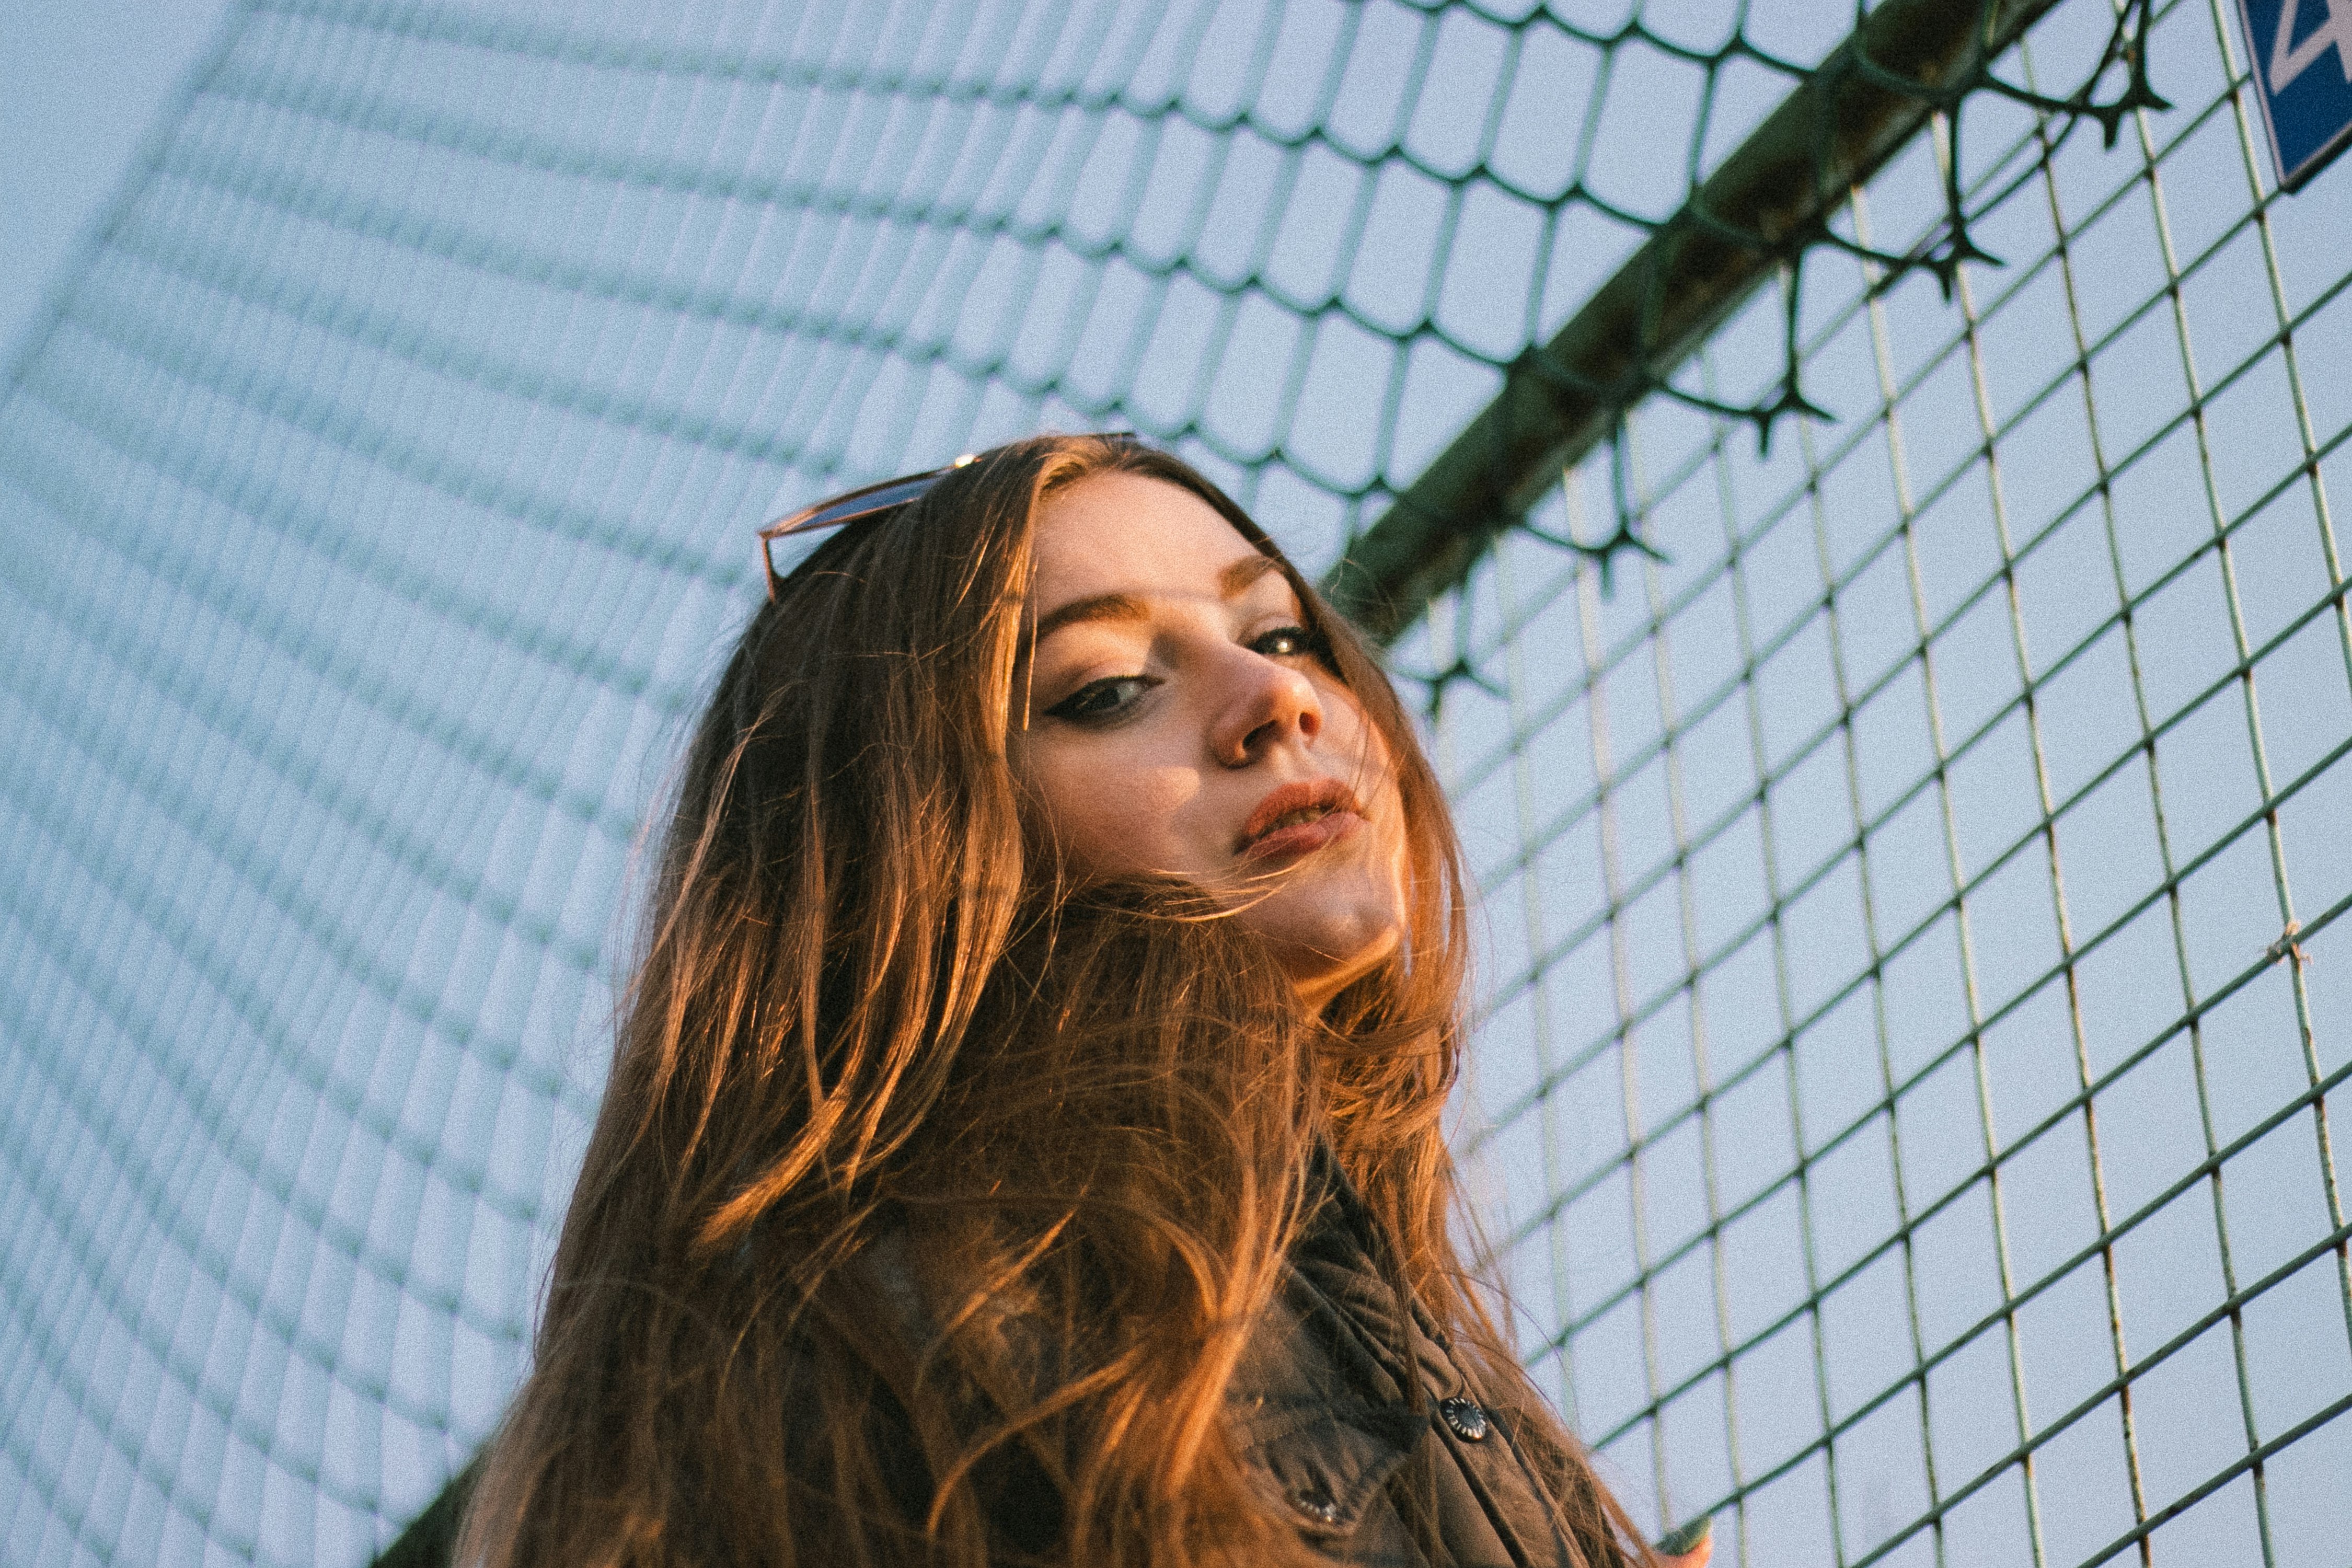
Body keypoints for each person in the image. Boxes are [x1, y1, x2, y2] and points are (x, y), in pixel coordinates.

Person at [456, 434, 1710, 1567]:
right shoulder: (884, 1344)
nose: (1283, 699)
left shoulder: (1349, 1289)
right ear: (909, 856)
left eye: (1279, 633)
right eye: (1106, 690)